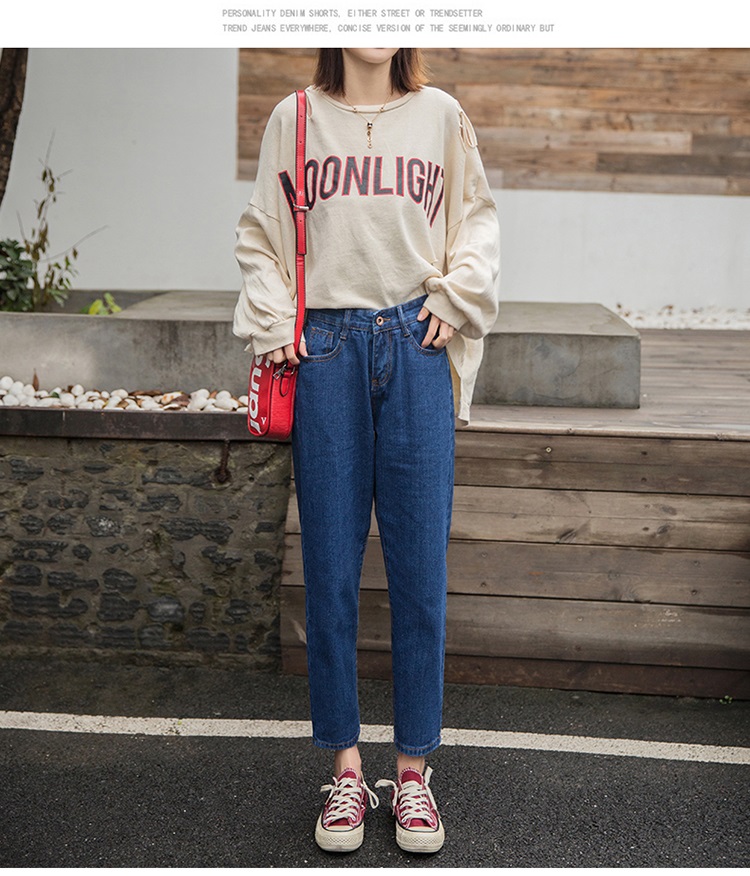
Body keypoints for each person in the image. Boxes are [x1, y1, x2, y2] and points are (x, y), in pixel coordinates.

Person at [234, 47, 500, 854]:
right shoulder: (296, 117)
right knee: (329, 572)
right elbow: (261, 234)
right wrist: (276, 320)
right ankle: (347, 771)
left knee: (420, 571)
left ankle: (413, 772)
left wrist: (457, 298)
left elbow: (476, 219)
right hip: (326, 352)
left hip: (416, 346)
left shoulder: (442, 116)